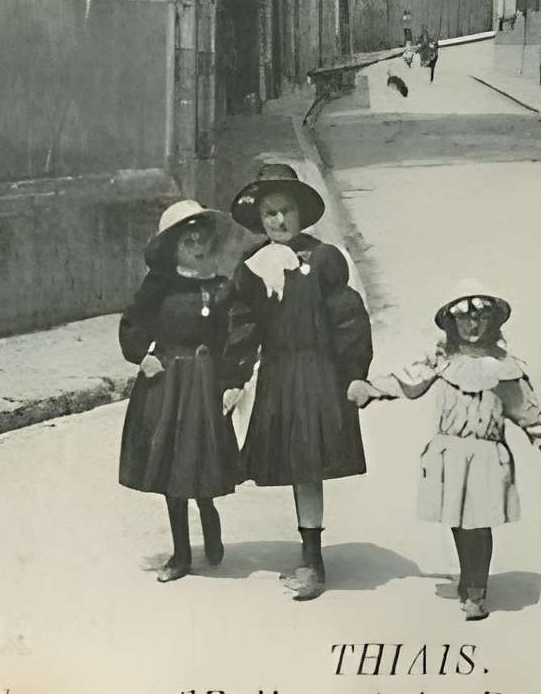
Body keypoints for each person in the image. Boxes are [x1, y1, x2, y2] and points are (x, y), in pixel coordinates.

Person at [350, 290, 541, 621]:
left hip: (486, 453)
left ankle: (477, 590)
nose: (473, 324)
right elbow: (407, 382)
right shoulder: (442, 360)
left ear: (493, 321)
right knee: (460, 521)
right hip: (450, 451)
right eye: (464, 317)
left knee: (480, 524)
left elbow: (526, 410)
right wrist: (369, 388)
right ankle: (468, 576)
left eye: (480, 316)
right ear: (452, 322)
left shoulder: (504, 367)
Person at [223, 159, 372, 601]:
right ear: (260, 218)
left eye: (287, 210)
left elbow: (348, 318)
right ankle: (307, 551)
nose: (280, 220)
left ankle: (313, 560)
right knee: (291, 464)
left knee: (309, 465)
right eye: (270, 212)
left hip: (316, 374)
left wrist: (355, 374)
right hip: (278, 375)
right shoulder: (252, 266)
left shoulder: (323, 259)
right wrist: (234, 378)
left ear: (301, 214)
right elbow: (241, 325)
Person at [117, 198, 240, 582]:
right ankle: (181, 555)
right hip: (168, 382)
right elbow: (133, 323)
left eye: (203, 240)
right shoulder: (159, 286)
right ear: (173, 245)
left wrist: (231, 382)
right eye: (189, 241)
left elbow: (231, 338)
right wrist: (143, 356)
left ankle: (210, 521)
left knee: (200, 460)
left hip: (204, 382)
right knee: (173, 467)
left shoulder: (220, 288)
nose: (198, 247)